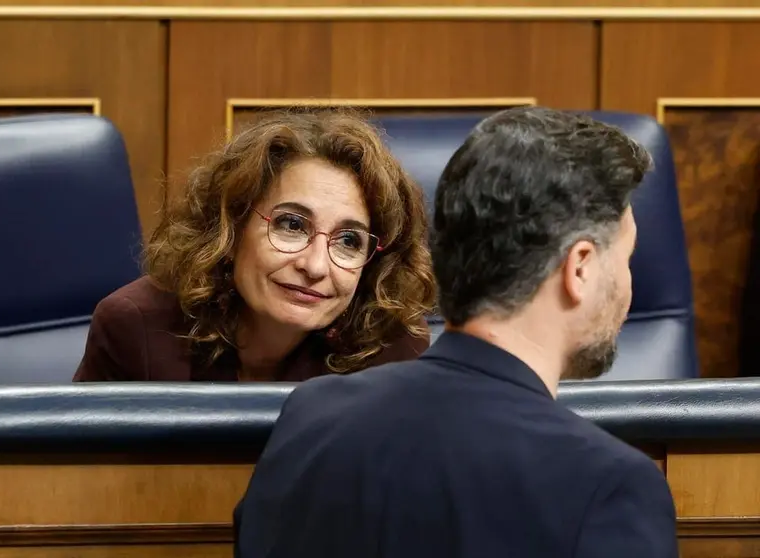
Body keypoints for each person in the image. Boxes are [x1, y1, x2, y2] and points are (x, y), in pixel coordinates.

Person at [233, 107, 679, 557]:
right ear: (579, 268)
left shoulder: (309, 418)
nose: (628, 286)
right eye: (625, 259)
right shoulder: (611, 487)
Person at [73, 109, 436, 382]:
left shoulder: (391, 347)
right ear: (230, 228)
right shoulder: (137, 330)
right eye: (292, 225)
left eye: (348, 241)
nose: (315, 266)